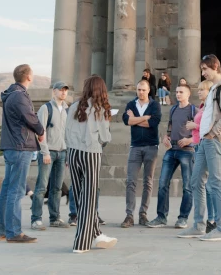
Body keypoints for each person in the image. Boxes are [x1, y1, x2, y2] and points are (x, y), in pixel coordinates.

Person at [178, 54, 221, 242]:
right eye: (201, 70)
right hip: (203, 142)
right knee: (196, 181)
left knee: (217, 183)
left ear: (215, 67)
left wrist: (212, 133)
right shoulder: (213, 90)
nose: (203, 73)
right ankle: (199, 225)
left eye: (205, 69)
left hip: (214, 140)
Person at [0, 64, 45, 244]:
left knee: (7, 189)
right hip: (19, 147)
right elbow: (30, 117)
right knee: (16, 190)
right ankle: (14, 232)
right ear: (28, 77)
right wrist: (40, 130)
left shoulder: (10, 94)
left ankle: (0, 231)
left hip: (11, 146)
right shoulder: (20, 96)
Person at [65, 75, 117, 253]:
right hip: (91, 153)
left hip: (72, 153)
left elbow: (67, 131)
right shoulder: (100, 109)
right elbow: (105, 137)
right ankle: (81, 243)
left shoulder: (73, 106)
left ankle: (97, 234)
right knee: (89, 198)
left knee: (80, 197)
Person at [147, 83, 195, 229]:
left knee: (187, 186)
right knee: (162, 184)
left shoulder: (194, 110)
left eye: (181, 92)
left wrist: (190, 140)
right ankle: (161, 217)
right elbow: (170, 126)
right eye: (177, 91)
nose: (178, 94)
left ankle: (183, 218)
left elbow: (201, 131)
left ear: (188, 94)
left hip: (187, 151)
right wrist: (166, 137)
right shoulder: (173, 108)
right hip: (171, 150)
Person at [121, 79, 161, 228]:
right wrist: (144, 118)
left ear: (148, 90)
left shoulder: (155, 105)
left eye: (143, 90)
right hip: (135, 146)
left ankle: (143, 214)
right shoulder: (131, 105)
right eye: (138, 90)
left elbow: (153, 123)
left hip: (151, 146)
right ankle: (129, 215)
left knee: (148, 182)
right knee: (131, 181)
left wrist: (135, 119)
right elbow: (127, 121)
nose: (141, 92)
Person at [30, 82, 70, 231]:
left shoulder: (67, 110)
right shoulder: (45, 108)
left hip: (62, 152)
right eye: (60, 90)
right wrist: (45, 151)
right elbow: (40, 131)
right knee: (42, 187)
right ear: (54, 92)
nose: (63, 92)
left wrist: (67, 154)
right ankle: (36, 219)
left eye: (65, 90)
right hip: (48, 152)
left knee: (57, 188)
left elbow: (68, 132)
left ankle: (55, 218)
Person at [185, 80, 215, 233]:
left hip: (204, 145)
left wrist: (193, 126)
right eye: (199, 89)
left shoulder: (210, 107)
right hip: (198, 145)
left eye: (203, 90)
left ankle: (211, 220)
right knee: (199, 183)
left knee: (205, 184)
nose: (199, 92)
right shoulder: (202, 107)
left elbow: (209, 126)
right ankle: (202, 222)